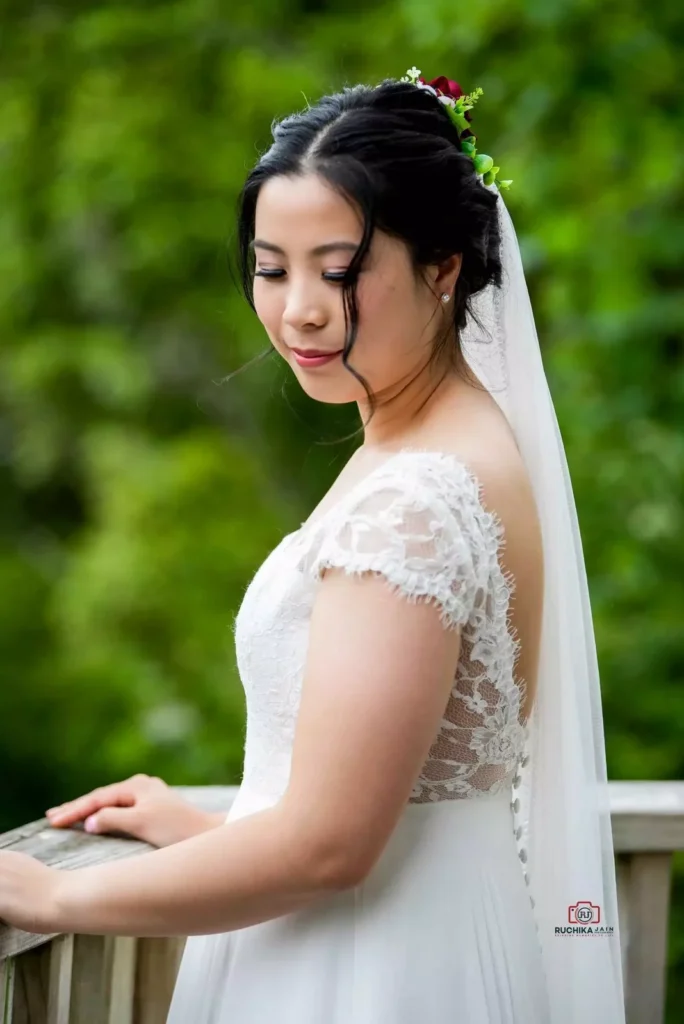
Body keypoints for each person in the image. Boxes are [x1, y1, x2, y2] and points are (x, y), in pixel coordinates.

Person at [0, 69, 625, 1023]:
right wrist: (222, 828)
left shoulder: (415, 498)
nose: (300, 309)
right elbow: (399, 789)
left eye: (338, 270)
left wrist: (55, 896)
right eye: (270, 265)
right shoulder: (447, 440)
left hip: (372, 973)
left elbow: (332, 846)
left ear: (445, 266)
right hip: (423, 934)